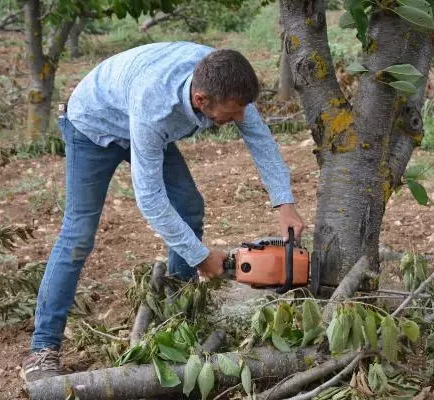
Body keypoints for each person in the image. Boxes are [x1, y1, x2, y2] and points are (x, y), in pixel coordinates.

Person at [21, 41, 305, 382]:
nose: (240, 118)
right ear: (201, 101)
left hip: (141, 124)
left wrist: (285, 204)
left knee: (188, 206)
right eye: (232, 112)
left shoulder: (225, 78)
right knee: (78, 234)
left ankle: (178, 318)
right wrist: (200, 256)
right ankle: (43, 349)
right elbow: (151, 198)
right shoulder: (154, 104)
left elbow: (260, 140)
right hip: (92, 127)